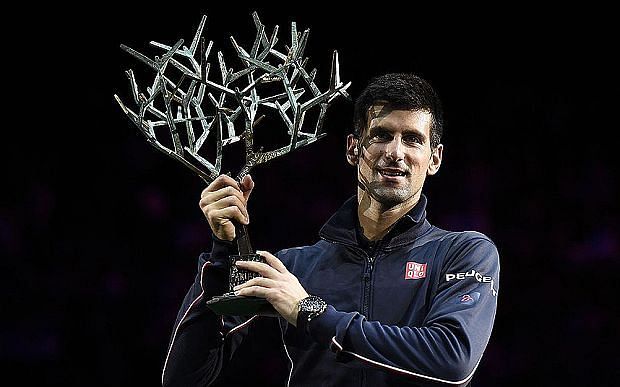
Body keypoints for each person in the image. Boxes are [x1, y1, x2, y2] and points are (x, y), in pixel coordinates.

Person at [161, 73, 500, 386]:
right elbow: (184, 378)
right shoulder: (295, 269)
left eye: (412, 139)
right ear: (354, 149)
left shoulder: (463, 254)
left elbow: (453, 361)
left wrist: (309, 312)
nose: (395, 152)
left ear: (435, 158)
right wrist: (223, 249)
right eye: (381, 135)